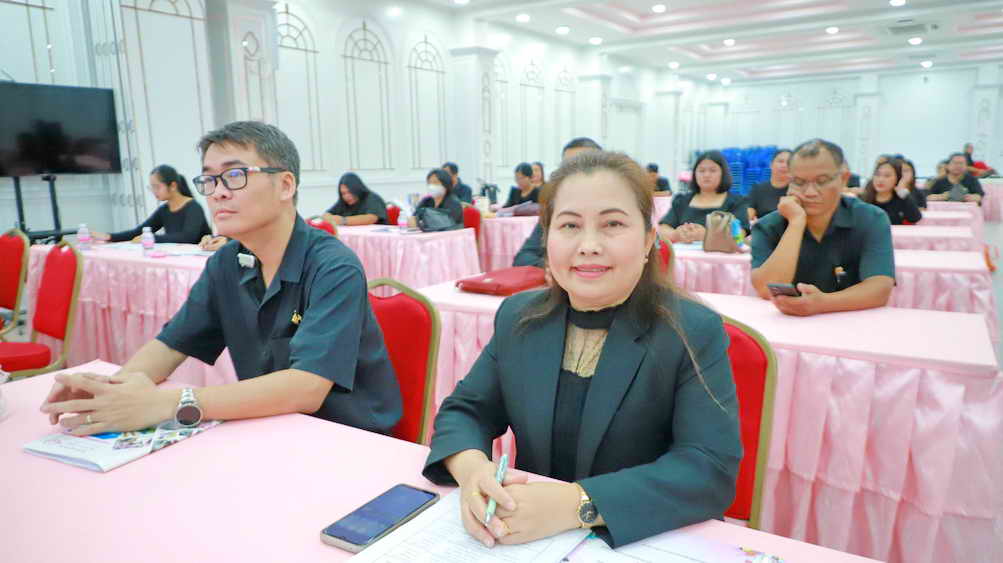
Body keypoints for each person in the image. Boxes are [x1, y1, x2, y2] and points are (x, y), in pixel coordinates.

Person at [423, 150, 741, 549]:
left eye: (612, 224)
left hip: (641, 540)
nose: (588, 245)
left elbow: (708, 468)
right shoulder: (520, 316)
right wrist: (473, 472)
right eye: (570, 225)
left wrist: (577, 504)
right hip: (525, 541)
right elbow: (465, 411)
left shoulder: (691, 329)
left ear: (648, 240)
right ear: (547, 238)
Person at [40, 121, 403, 436]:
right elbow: (171, 345)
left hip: (344, 438)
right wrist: (111, 392)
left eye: (234, 175)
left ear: (285, 185)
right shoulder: (227, 262)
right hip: (268, 428)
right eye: (209, 180)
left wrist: (168, 403)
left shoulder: (333, 266)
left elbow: (305, 388)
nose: (218, 192)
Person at [750, 138, 895, 316]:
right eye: (799, 182)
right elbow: (765, 289)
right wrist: (796, 223)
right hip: (787, 323)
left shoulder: (870, 219)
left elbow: (880, 288)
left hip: (852, 322)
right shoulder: (768, 226)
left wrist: (822, 304)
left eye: (822, 181)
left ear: (843, 179)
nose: (810, 192)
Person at [513, 137, 603, 267]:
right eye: (567, 167)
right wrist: (552, 267)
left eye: (584, 166)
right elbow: (523, 258)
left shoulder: (619, 212)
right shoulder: (556, 210)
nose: (573, 173)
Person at [93, 164, 211, 244]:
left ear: (173, 186)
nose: (154, 192)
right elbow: (139, 232)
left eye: (157, 187)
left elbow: (188, 237)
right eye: (152, 187)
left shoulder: (193, 207)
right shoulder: (164, 210)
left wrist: (151, 238)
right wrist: (109, 236)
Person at [657, 151, 749, 244]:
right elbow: (662, 229)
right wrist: (676, 234)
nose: (706, 175)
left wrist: (707, 235)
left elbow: (740, 235)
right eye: (701, 171)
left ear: (723, 173)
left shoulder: (736, 202)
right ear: (694, 174)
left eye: (712, 170)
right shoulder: (681, 201)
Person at [861, 158, 922, 225]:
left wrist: (903, 192)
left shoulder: (901, 199)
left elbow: (915, 218)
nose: (880, 179)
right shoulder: (864, 199)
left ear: (898, 178)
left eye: (887, 176)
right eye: (877, 175)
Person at [322, 172, 388, 226]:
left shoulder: (372, 198)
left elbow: (371, 218)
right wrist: (330, 218)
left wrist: (343, 220)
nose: (347, 196)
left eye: (350, 192)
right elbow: (326, 215)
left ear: (357, 189)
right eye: (343, 193)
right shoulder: (343, 202)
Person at [745, 149, 791, 222]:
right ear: (771, 164)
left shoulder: (796, 191)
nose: (784, 165)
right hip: (762, 228)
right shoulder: (757, 189)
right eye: (780, 161)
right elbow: (748, 217)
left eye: (789, 162)